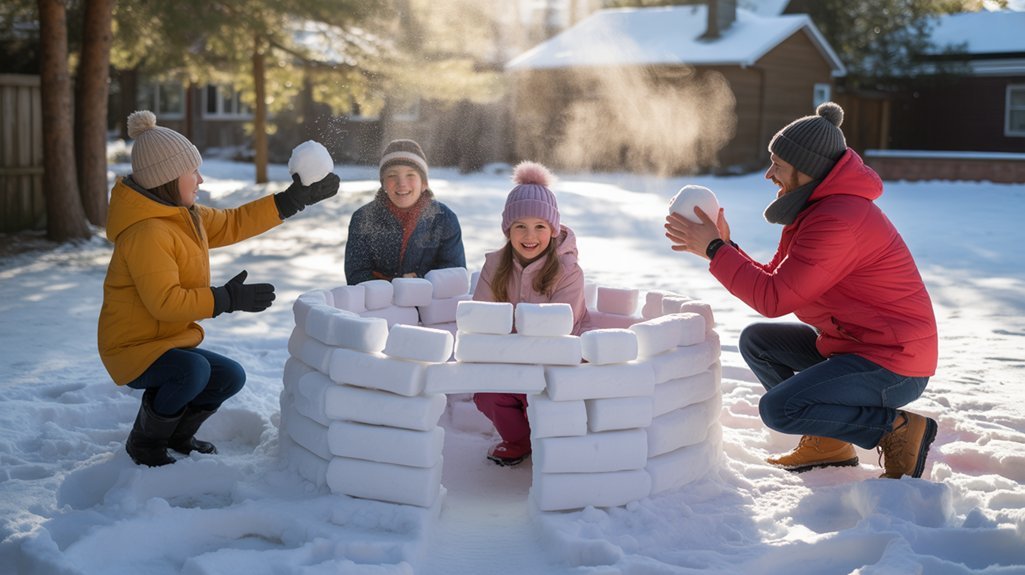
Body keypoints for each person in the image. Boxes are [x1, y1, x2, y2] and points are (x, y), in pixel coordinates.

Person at [664, 102, 939, 480]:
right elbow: (777, 279)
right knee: (759, 342)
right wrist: (728, 247)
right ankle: (829, 441)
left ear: (806, 166)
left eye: (777, 163)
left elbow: (774, 298)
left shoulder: (839, 220)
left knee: (780, 409)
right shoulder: (815, 211)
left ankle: (897, 430)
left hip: (892, 362)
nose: (768, 174)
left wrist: (715, 250)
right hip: (853, 345)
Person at [98, 110, 339, 467]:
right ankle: (145, 444)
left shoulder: (184, 215)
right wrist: (225, 299)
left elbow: (233, 222)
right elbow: (165, 303)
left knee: (229, 376)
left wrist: (291, 200)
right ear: (166, 179)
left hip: (164, 343)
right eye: (191, 172)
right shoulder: (147, 233)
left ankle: (177, 435)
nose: (200, 178)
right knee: (191, 372)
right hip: (131, 348)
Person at [472, 161, 590, 466]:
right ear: (508, 229)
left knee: (540, 398)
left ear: (552, 230)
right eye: (520, 226)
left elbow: (563, 326)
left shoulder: (567, 272)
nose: (530, 235)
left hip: (556, 365)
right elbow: (480, 319)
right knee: (487, 392)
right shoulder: (495, 266)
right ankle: (518, 440)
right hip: (508, 363)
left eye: (540, 226)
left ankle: (549, 441)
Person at [344, 139, 465, 284]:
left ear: (424, 183)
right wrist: (397, 282)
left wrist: (417, 282)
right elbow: (356, 276)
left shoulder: (444, 218)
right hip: (380, 304)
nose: (402, 183)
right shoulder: (364, 218)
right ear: (383, 184)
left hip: (431, 304)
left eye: (410, 175)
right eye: (392, 175)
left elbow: (454, 274)